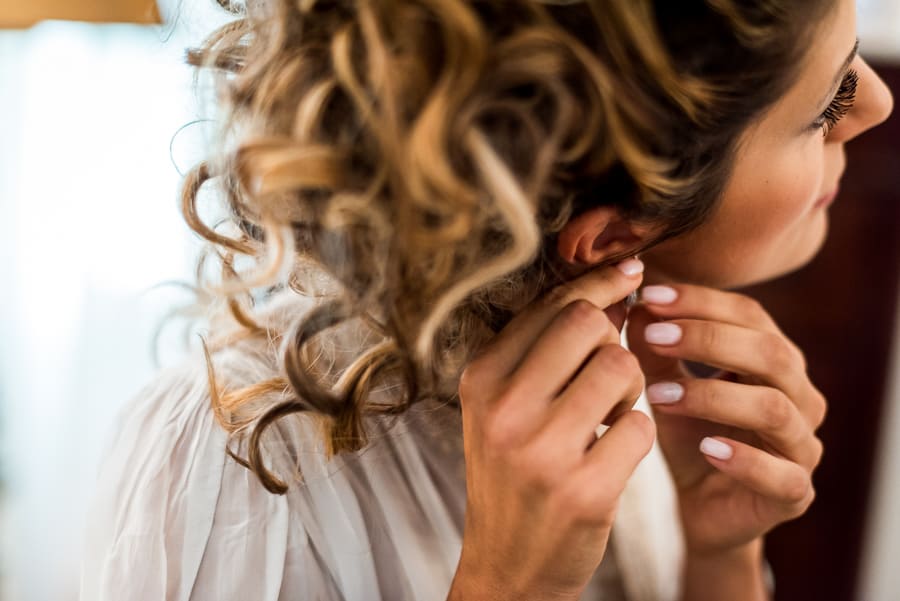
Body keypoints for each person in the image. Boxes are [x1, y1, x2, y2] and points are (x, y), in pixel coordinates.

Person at [79, 0, 893, 600]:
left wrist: (718, 555)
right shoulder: (226, 480)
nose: (880, 102)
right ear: (612, 238)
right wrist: (508, 587)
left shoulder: (622, 361)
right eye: (824, 107)